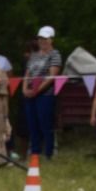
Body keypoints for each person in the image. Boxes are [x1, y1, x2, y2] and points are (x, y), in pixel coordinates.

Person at [21, 27, 63, 160]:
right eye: (40, 38)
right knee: (32, 124)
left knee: (45, 123)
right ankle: (35, 152)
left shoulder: (55, 55)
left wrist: (36, 91)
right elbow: (27, 74)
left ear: (51, 40)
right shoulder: (34, 55)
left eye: (45, 39)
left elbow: (51, 76)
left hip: (45, 94)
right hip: (30, 92)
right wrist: (24, 89)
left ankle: (49, 153)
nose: (42, 41)